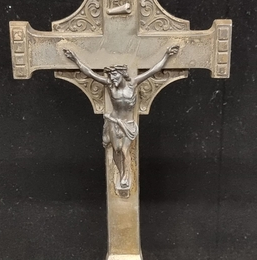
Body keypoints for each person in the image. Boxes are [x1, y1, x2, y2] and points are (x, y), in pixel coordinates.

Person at [64, 46, 179, 190]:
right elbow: (90, 73)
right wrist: (75, 59)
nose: (113, 79)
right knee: (117, 150)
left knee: (125, 150)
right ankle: (120, 172)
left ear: (122, 74)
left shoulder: (133, 83)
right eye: (111, 76)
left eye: (115, 76)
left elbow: (154, 70)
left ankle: (125, 176)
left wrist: (167, 55)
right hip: (114, 122)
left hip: (128, 124)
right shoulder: (110, 85)